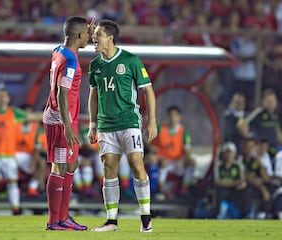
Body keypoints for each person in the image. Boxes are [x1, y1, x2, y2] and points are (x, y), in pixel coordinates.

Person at [88, 19, 157, 232]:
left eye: (98, 34)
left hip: (129, 121)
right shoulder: (95, 65)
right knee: (109, 167)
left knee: (137, 163)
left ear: (110, 37)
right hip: (106, 125)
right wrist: (92, 123)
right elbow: (93, 96)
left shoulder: (130, 60)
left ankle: (146, 216)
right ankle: (111, 221)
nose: (94, 38)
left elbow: (148, 91)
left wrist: (152, 121)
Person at [42, 16, 93, 231]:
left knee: (72, 164)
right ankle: (54, 220)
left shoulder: (59, 51)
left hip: (63, 118)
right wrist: (67, 125)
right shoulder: (71, 60)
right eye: (88, 33)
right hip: (61, 120)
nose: (90, 36)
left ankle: (64, 217)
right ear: (79, 35)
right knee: (60, 166)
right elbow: (63, 94)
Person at [148, 106, 195, 199]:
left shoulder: (184, 132)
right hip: (162, 159)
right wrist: (150, 146)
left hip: (177, 161)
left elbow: (188, 151)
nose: (172, 118)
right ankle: (159, 190)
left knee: (191, 162)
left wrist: (181, 161)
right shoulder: (160, 128)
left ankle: (184, 190)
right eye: (170, 115)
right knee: (160, 161)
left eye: (175, 115)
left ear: (179, 117)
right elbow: (146, 138)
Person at [239, 88, 282, 158]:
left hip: (273, 152)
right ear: (264, 102)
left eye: (273, 101)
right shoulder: (259, 113)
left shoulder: (275, 117)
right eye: (269, 101)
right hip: (261, 154)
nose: (272, 103)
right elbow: (241, 125)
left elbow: (278, 135)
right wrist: (250, 142)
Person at [15, 104, 46, 197]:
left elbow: (37, 146)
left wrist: (34, 159)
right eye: (25, 113)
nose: (28, 115)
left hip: (28, 155)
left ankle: (32, 188)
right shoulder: (14, 124)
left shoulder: (36, 127)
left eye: (30, 113)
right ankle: (4, 188)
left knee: (41, 163)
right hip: (13, 154)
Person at [214, 142, 251, 219]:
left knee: (246, 191)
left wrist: (237, 184)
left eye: (230, 152)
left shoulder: (237, 165)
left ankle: (245, 215)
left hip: (235, 190)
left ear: (234, 154)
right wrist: (234, 183)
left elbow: (242, 180)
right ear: (223, 154)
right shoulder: (218, 165)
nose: (228, 155)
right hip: (223, 190)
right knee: (219, 191)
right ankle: (218, 214)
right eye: (226, 152)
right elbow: (217, 182)